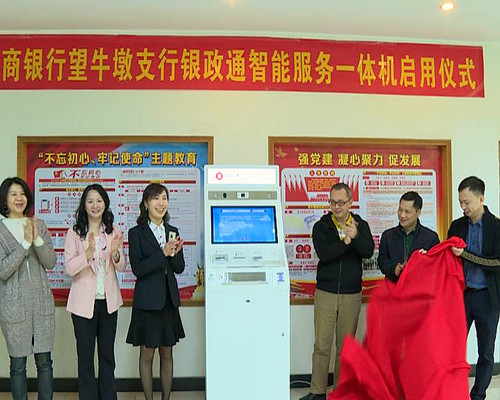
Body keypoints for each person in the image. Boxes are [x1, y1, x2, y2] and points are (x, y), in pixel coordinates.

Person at [300, 182, 375, 400]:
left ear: (350, 203)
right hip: (326, 292)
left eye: (341, 202)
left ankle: (340, 391)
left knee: (345, 348)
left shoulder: (361, 225)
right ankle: (317, 391)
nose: (336, 207)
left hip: (351, 294)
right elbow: (325, 254)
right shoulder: (321, 226)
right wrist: (346, 242)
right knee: (321, 345)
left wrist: (356, 236)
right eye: (332, 202)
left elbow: (368, 251)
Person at [64, 184, 126, 399]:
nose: (95, 205)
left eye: (99, 200)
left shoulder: (113, 231)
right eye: (90, 201)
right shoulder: (74, 233)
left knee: (107, 357)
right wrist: (88, 253)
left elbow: (122, 266)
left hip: (108, 303)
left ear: (105, 203)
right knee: (85, 359)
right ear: (84, 205)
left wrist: (116, 253)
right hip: (83, 306)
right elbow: (69, 268)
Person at [126, 183, 185, 400]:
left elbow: (179, 268)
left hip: (168, 301)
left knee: (167, 352)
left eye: (164, 198)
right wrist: (163, 253)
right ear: (145, 203)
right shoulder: (136, 233)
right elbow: (138, 269)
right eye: (156, 199)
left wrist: (175, 253)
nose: (161, 203)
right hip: (147, 303)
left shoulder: (173, 231)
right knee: (147, 354)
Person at [0, 177, 56, 400]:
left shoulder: (38, 224)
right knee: (18, 363)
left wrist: (37, 239)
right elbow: (3, 270)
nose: (19, 198)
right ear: (4, 199)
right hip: (13, 306)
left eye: (22, 193)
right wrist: (24, 244)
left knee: (44, 361)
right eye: (13, 194)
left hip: (41, 303)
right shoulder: (1, 230)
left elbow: (50, 262)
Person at [447, 176, 500, 400]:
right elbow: (447, 258)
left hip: (487, 297)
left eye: (467, 202)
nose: (463, 207)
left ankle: (478, 395)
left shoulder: (496, 227)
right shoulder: (457, 226)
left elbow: (497, 263)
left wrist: (466, 255)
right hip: (462, 296)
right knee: (452, 348)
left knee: (485, 352)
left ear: (481, 199)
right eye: (460, 202)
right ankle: (452, 391)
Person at [378, 191, 440, 282]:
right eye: (400, 210)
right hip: (394, 287)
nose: (402, 215)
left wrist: (424, 261)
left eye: (407, 212)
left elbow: (436, 266)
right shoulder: (387, 236)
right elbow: (382, 261)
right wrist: (394, 269)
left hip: (419, 287)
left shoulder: (431, 238)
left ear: (418, 212)